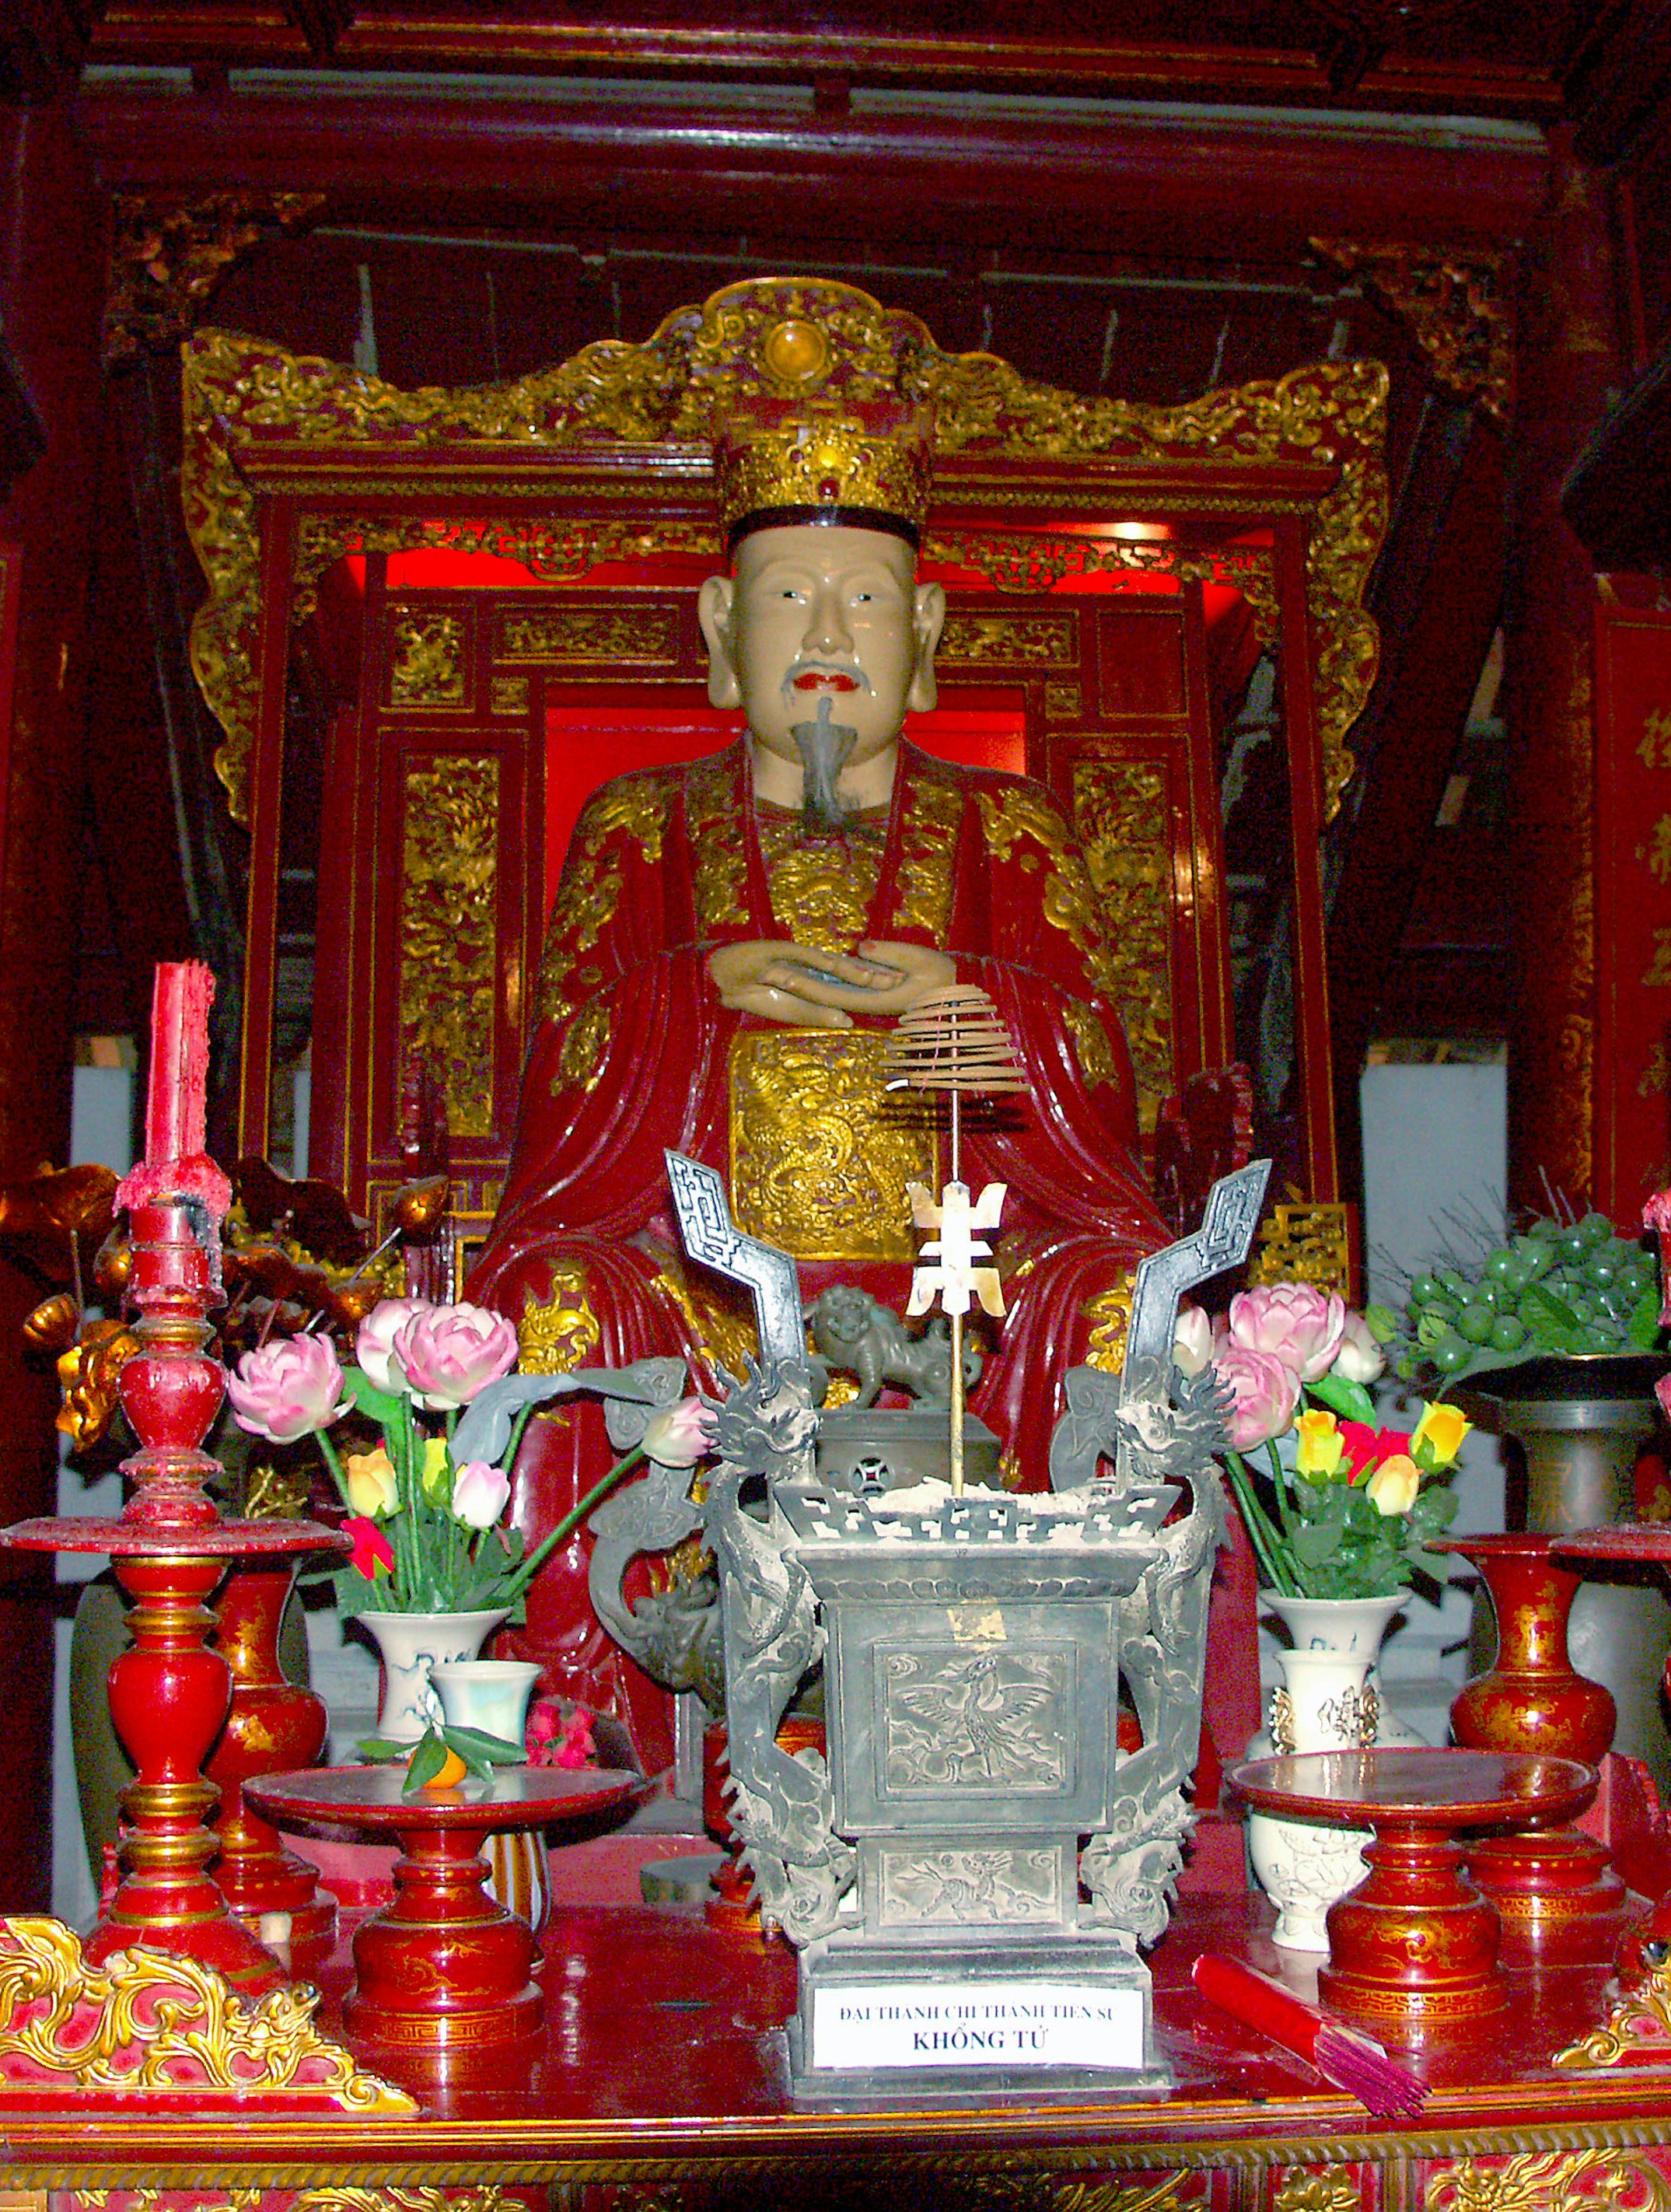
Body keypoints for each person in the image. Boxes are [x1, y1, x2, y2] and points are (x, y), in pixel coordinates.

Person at [469, 396, 1173, 1742]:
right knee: (558, 1305)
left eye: (870, 598)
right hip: (702, 1309)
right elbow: (559, 1083)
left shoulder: (1008, 832)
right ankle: (577, 1737)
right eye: (790, 595)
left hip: (968, 1308)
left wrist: (979, 1010)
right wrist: (693, 992)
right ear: (722, 633)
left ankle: (1099, 1730)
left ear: (929, 640)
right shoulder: (637, 827)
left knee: (1128, 1302)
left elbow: (1099, 1091)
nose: (833, 639)